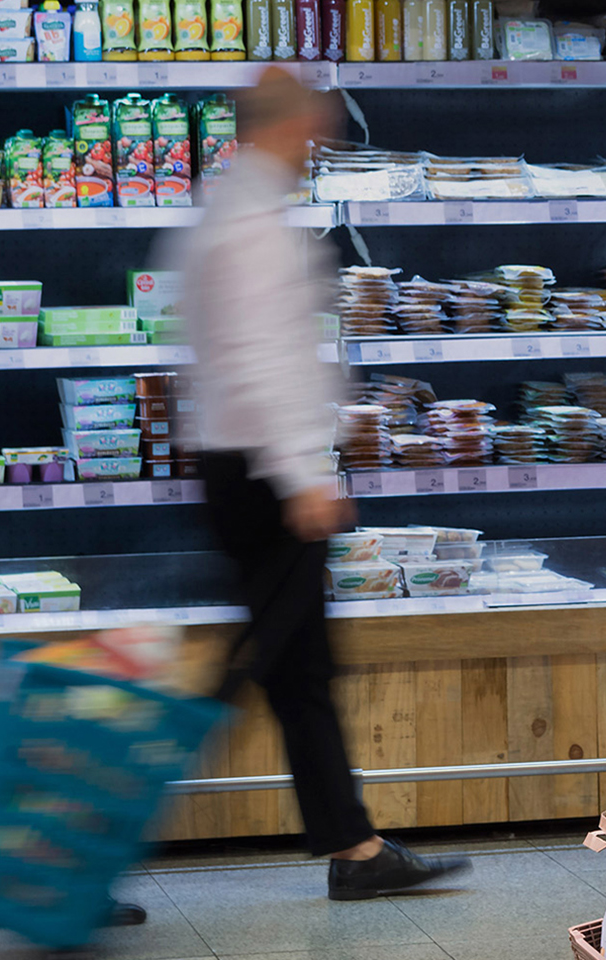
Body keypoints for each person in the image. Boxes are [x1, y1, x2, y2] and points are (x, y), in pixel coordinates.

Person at [168, 64, 466, 901]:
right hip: (265, 473)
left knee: (293, 666)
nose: (323, 143)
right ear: (286, 126)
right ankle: (93, 838)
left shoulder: (225, 206)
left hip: (237, 465)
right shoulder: (254, 225)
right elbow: (267, 362)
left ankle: (356, 850)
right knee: (264, 667)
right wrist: (305, 476)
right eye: (316, 127)